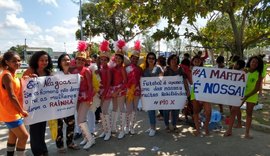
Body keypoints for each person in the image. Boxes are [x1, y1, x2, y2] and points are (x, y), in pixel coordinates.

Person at [224, 55, 264, 139]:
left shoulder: (259, 74)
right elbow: (234, 79)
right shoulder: (244, 71)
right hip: (240, 94)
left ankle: (247, 133)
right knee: (233, 111)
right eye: (253, 61)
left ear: (258, 64)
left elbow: (257, 88)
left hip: (251, 95)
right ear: (250, 62)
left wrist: (247, 96)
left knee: (249, 114)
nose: (254, 63)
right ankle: (229, 130)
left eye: (257, 62)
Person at [23, 50, 53, 156]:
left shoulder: (48, 72)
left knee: (42, 129)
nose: (44, 62)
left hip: (44, 107)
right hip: (32, 107)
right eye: (41, 60)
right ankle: (37, 152)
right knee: (35, 130)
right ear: (36, 60)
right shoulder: (30, 71)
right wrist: (28, 79)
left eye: (46, 60)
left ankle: (43, 149)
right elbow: (22, 85)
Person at [0, 51, 29, 156]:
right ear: (7, 62)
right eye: (14, 61)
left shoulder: (13, 73)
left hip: (12, 111)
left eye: (19, 60)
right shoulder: (7, 75)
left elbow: (15, 85)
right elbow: (12, 96)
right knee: (24, 136)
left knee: (13, 135)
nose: (17, 63)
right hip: (10, 112)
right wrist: (21, 110)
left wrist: (25, 79)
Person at [71, 41, 95, 149]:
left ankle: (91, 139)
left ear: (85, 61)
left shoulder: (87, 71)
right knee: (81, 119)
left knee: (80, 119)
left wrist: (90, 98)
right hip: (77, 98)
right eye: (78, 59)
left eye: (82, 59)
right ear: (75, 60)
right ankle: (86, 137)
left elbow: (91, 86)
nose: (80, 61)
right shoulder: (73, 70)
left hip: (85, 97)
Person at [54, 54, 79, 153]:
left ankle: (70, 143)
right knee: (59, 127)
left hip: (69, 105)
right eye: (64, 60)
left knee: (71, 124)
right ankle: (60, 146)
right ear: (60, 62)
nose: (66, 61)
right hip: (57, 106)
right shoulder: (55, 75)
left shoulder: (72, 74)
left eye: (68, 60)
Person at [163, 54, 190, 133]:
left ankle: (174, 125)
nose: (174, 60)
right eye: (172, 59)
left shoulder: (180, 69)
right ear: (169, 60)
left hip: (178, 94)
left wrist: (187, 90)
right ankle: (167, 125)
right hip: (167, 93)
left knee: (176, 110)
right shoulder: (166, 69)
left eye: (175, 59)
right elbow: (160, 80)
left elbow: (184, 81)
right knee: (166, 110)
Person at [143, 52, 163, 137]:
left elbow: (162, 79)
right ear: (147, 59)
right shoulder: (145, 69)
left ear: (155, 60)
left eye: (153, 58)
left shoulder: (158, 68)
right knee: (149, 110)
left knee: (152, 110)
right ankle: (152, 127)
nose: (151, 60)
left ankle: (153, 128)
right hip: (148, 94)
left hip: (156, 93)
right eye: (149, 58)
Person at [190, 55, 211, 136]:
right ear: (193, 62)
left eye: (198, 61)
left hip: (205, 92)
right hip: (195, 92)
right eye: (195, 61)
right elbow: (191, 81)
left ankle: (206, 127)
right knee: (196, 111)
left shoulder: (206, 70)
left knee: (208, 112)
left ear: (201, 62)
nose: (197, 62)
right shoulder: (190, 70)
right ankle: (198, 129)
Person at [125, 40, 143, 135]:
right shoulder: (126, 68)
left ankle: (132, 126)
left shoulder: (140, 69)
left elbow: (142, 80)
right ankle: (127, 126)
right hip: (128, 91)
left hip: (137, 91)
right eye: (133, 58)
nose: (134, 60)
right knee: (129, 109)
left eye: (136, 59)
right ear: (130, 58)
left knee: (135, 109)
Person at [111, 39, 128, 139]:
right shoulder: (113, 68)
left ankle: (122, 129)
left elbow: (125, 82)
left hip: (120, 90)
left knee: (122, 108)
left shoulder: (122, 68)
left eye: (119, 58)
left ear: (122, 60)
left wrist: (118, 91)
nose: (117, 59)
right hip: (113, 90)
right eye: (116, 57)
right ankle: (113, 127)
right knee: (114, 108)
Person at [98, 40, 113, 141]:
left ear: (108, 60)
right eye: (101, 59)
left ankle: (108, 131)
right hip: (101, 93)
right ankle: (104, 129)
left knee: (105, 111)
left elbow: (108, 84)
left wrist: (104, 94)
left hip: (106, 93)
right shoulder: (100, 68)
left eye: (105, 59)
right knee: (101, 112)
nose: (103, 61)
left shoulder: (108, 69)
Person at [229, 59, 246, 128]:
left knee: (236, 108)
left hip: (237, 93)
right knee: (232, 106)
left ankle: (239, 123)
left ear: (238, 65)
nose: (234, 65)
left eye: (235, 64)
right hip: (232, 91)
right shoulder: (236, 71)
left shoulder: (242, 73)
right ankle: (233, 121)